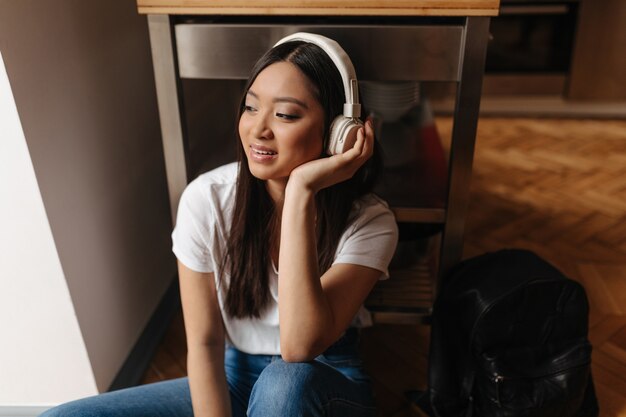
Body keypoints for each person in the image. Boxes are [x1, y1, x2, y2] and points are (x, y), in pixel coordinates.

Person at [40, 32, 398, 417]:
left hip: (323, 382)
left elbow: (299, 347)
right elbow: (206, 344)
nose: (259, 129)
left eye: (286, 114)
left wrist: (300, 192)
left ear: (337, 132)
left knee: (284, 382)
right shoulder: (206, 199)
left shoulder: (371, 222)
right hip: (236, 375)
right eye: (250, 107)